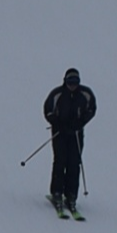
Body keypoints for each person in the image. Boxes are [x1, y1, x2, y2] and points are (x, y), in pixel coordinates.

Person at [43, 68, 97, 213]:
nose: (72, 85)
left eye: (75, 82)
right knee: (60, 161)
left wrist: (80, 122)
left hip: (76, 133)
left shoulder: (85, 94)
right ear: (65, 81)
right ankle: (57, 192)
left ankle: (71, 194)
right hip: (59, 133)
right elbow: (48, 110)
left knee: (74, 163)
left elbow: (91, 109)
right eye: (70, 82)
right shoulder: (57, 94)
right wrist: (57, 123)